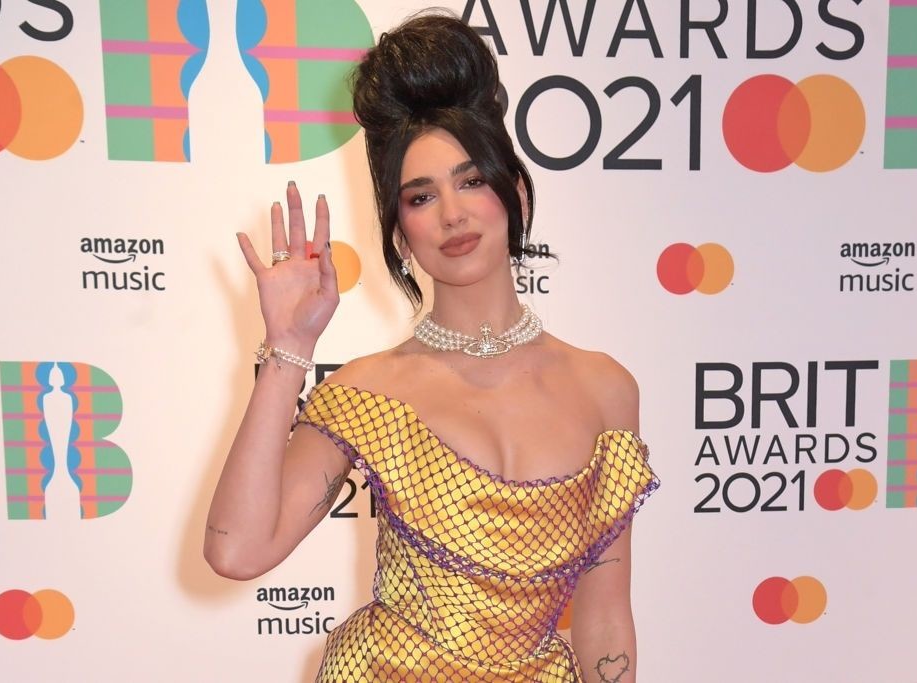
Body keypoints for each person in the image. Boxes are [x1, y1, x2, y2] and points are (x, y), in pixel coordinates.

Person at [204, 12, 658, 682]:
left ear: (515, 191)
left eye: (471, 180)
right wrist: (288, 348)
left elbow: (606, 617)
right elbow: (236, 551)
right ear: (399, 232)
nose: (452, 213)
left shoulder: (606, 389)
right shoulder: (368, 392)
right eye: (421, 197)